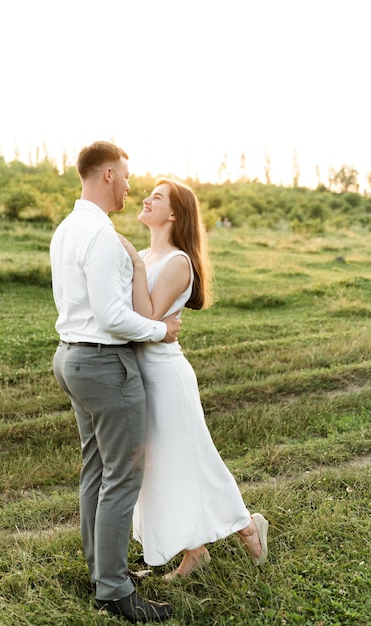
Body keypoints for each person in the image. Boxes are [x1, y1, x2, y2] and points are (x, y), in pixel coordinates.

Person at [50, 142, 181, 623]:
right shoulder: (100, 235)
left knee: (96, 470)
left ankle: (101, 570)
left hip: (71, 358)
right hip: (104, 365)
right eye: (125, 176)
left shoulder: (67, 229)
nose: (129, 185)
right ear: (107, 175)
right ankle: (114, 590)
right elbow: (111, 317)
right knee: (123, 475)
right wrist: (160, 329)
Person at [119, 178, 269, 580]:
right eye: (148, 193)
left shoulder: (177, 262)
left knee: (193, 460)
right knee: (158, 466)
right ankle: (195, 550)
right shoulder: (148, 254)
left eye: (157, 197)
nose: (147, 199)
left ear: (174, 214)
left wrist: (133, 265)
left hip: (166, 377)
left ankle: (247, 526)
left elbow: (146, 320)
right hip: (140, 374)